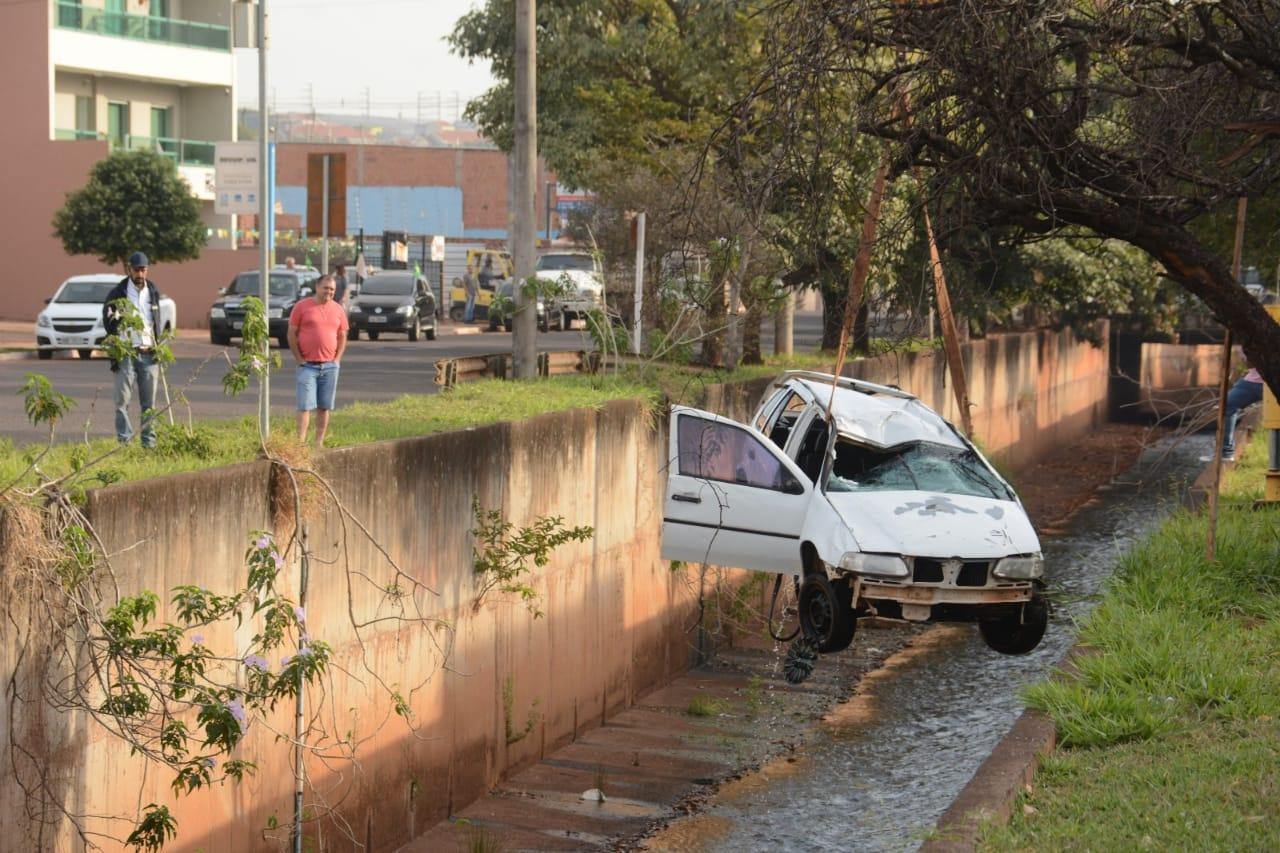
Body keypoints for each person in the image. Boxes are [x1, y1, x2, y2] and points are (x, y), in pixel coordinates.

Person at [102, 252, 163, 448]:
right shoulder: (118, 293)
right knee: (122, 401)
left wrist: (158, 345)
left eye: (143, 269)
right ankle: (124, 442)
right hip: (126, 352)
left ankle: (149, 444)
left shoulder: (153, 292)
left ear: (147, 269)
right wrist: (117, 343)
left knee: (149, 404)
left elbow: (155, 322)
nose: (140, 273)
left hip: (148, 352)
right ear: (129, 269)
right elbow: (108, 319)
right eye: (136, 269)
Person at [287, 274, 348, 448]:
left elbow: (342, 335)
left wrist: (337, 360)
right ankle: (300, 443)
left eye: (332, 289)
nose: (329, 292)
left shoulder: (338, 309)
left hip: (330, 366)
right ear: (317, 287)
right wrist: (298, 359)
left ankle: (318, 443)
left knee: (324, 406)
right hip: (307, 366)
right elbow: (291, 333)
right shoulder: (302, 307)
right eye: (326, 288)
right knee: (304, 406)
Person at [1201, 365, 1265, 462]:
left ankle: (1225, 452)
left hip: (1270, 381)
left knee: (1227, 406)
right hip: (1253, 380)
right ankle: (1225, 452)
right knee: (1227, 406)